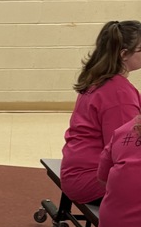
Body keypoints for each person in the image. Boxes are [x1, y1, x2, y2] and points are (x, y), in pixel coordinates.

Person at [60, 19, 141, 205]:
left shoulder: (102, 79)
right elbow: (125, 152)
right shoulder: (119, 94)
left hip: (77, 171)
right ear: (123, 54)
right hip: (92, 180)